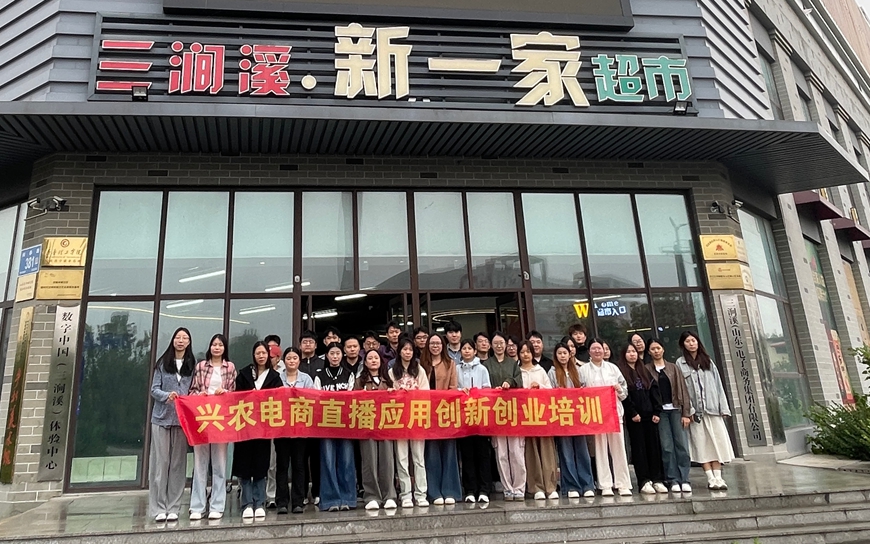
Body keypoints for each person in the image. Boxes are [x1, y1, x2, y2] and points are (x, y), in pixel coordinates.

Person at [676, 331, 734, 491]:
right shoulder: (680, 363)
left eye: (693, 340)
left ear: (698, 342)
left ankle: (719, 477)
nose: (691, 344)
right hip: (695, 413)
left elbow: (718, 385)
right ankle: (710, 478)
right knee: (701, 445)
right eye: (687, 341)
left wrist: (723, 408)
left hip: (713, 410)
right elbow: (681, 389)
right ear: (683, 344)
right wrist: (687, 411)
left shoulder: (708, 361)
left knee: (717, 443)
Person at [149, 327, 196, 522]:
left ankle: (174, 507)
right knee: (161, 464)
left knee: (178, 465)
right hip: (161, 419)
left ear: (189, 342)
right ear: (173, 340)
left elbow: (194, 389)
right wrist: (166, 396)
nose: (181, 341)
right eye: (178, 337)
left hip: (182, 421)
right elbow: (154, 389)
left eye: (185, 338)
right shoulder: (162, 364)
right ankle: (158, 508)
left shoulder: (192, 365)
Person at [188, 334, 237, 520]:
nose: (217, 347)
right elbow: (192, 390)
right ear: (210, 347)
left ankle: (217, 505)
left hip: (220, 420)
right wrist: (199, 395)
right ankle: (197, 506)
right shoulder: (201, 366)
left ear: (224, 348)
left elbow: (234, 393)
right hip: (202, 419)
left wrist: (225, 393)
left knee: (219, 465)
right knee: (200, 464)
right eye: (214, 344)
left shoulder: (230, 367)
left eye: (220, 345)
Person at [233, 341, 283, 519]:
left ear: (268, 356)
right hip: (245, 425)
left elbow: (279, 399)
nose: (261, 356)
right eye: (258, 353)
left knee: (261, 465)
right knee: (245, 464)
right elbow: (235, 397)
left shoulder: (275, 377)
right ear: (253, 355)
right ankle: (247, 503)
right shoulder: (244, 374)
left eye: (264, 353)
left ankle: (259, 501)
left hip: (264, 428)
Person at [579, 337, 632, 496]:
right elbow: (579, 393)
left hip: (614, 414)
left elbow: (624, 392)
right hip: (596, 415)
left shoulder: (613, 368)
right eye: (594, 349)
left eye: (600, 348)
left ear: (604, 350)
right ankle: (605, 484)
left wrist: (618, 389)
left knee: (618, 449)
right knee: (600, 450)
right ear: (589, 352)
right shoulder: (583, 370)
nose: (597, 351)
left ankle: (623, 483)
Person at [645, 337, 693, 494]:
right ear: (649, 352)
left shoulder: (673, 368)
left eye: (658, 348)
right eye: (653, 349)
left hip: (676, 409)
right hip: (661, 413)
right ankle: (672, 479)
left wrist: (686, 413)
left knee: (682, 445)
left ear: (663, 349)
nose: (656, 351)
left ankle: (684, 479)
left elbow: (683, 390)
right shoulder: (647, 369)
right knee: (666, 447)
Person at [617, 343, 667, 495]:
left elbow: (654, 392)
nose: (632, 354)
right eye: (628, 352)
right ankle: (644, 481)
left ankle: (657, 479)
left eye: (634, 351)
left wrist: (657, 411)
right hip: (635, 418)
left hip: (650, 416)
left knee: (654, 448)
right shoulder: (622, 372)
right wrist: (632, 413)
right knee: (639, 450)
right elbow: (624, 396)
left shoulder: (644, 370)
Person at [547, 341, 595, 498]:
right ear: (555, 356)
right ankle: (571, 486)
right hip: (562, 417)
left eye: (565, 353)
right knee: (566, 452)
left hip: (579, 417)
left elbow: (586, 390)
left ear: (570, 354)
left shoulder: (578, 371)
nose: (562, 356)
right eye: (559, 353)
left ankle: (587, 484)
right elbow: (549, 395)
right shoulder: (552, 373)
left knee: (582, 451)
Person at [314, 342, 357, 511]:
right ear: (327, 356)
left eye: (338, 353)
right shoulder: (320, 375)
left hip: (345, 424)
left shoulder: (349, 374)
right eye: (332, 353)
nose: (335, 356)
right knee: (328, 460)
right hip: (326, 424)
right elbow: (316, 399)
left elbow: (352, 398)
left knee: (346, 461)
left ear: (342, 355)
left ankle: (348, 498)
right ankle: (330, 500)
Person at [419, 333, 461, 505]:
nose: (435, 346)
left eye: (438, 343)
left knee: (449, 450)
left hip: (445, 412)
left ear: (443, 346)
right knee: (431, 452)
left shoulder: (450, 363)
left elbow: (453, 387)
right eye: (432, 343)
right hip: (426, 413)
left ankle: (450, 490)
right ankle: (434, 492)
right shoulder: (421, 364)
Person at [482, 331, 524, 501]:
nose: (499, 346)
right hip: (495, 412)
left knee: (516, 451)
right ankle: (507, 488)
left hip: (512, 411)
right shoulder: (486, 364)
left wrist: (510, 382)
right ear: (491, 346)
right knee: (501, 453)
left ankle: (519, 488)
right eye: (496, 343)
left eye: (501, 343)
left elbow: (519, 381)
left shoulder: (513, 364)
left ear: (506, 345)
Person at [389, 337, 430, 507]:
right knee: (402, 458)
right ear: (399, 351)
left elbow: (426, 393)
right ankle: (405, 494)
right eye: (404, 349)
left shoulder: (419, 370)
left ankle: (421, 494)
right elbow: (389, 395)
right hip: (399, 420)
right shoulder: (392, 371)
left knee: (419, 458)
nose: (407, 352)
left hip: (416, 418)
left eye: (410, 350)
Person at [356, 349, 398, 510]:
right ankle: (371, 496)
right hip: (367, 426)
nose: (373, 360)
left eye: (376, 358)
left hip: (386, 425)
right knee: (369, 461)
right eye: (370, 358)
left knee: (387, 461)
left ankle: (389, 495)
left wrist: (392, 394)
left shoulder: (388, 380)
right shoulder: (360, 381)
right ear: (365, 363)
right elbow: (352, 402)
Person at [275, 347, 315, 514]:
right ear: (284, 361)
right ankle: (282, 502)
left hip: (300, 429)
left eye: (294, 358)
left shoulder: (306, 379)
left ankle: (298, 501)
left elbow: (312, 400)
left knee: (299, 465)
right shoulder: (277, 378)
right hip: (281, 429)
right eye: (289, 358)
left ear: (299, 360)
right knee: (282, 465)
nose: (291, 361)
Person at [517, 341, 558, 500]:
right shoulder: (517, 371)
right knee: (531, 452)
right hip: (526, 418)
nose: (525, 355)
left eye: (528, 351)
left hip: (543, 417)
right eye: (522, 352)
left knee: (547, 452)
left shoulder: (540, 370)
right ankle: (536, 487)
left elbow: (550, 391)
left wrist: (539, 386)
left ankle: (550, 486)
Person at [456, 339, 492, 503]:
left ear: (475, 351)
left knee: (482, 453)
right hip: (463, 418)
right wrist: (460, 391)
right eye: (464, 348)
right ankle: (470, 489)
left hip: (480, 417)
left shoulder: (482, 369)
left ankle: (484, 489)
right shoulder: (456, 369)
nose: (467, 351)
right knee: (467, 454)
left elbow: (487, 389)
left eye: (469, 348)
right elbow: (453, 389)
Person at [297, 329, 321, 505]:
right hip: (299, 418)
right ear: (300, 345)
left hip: (319, 417)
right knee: (301, 457)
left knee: (316, 456)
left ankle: (318, 491)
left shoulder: (322, 363)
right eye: (304, 342)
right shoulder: (295, 363)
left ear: (316, 345)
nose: (307, 344)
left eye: (310, 342)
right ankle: (303, 493)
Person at [264, 334, 282, 509]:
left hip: (277, 422)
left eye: (271, 357)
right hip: (259, 421)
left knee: (273, 463)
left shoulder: (282, 373)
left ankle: (271, 494)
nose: (268, 359)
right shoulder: (256, 372)